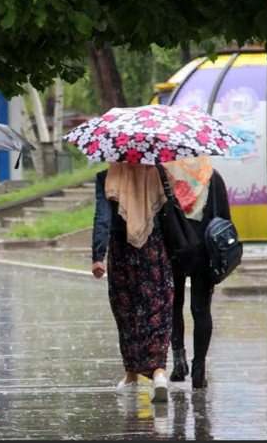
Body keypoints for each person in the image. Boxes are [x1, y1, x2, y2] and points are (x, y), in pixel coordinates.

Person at [91, 162, 173, 402]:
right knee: (157, 308)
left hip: (121, 250)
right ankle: (159, 373)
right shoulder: (159, 173)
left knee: (127, 312)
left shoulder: (107, 177)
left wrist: (98, 255)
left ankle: (131, 376)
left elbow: (102, 217)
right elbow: (172, 212)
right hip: (155, 248)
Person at [163, 157, 231, 390]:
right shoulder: (212, 177)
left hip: (172, 249)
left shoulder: (165, 176)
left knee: (174, 306)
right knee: (201, 310)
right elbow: (224, 219)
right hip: (204, 251)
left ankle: (178, 360)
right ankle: (199, 368)